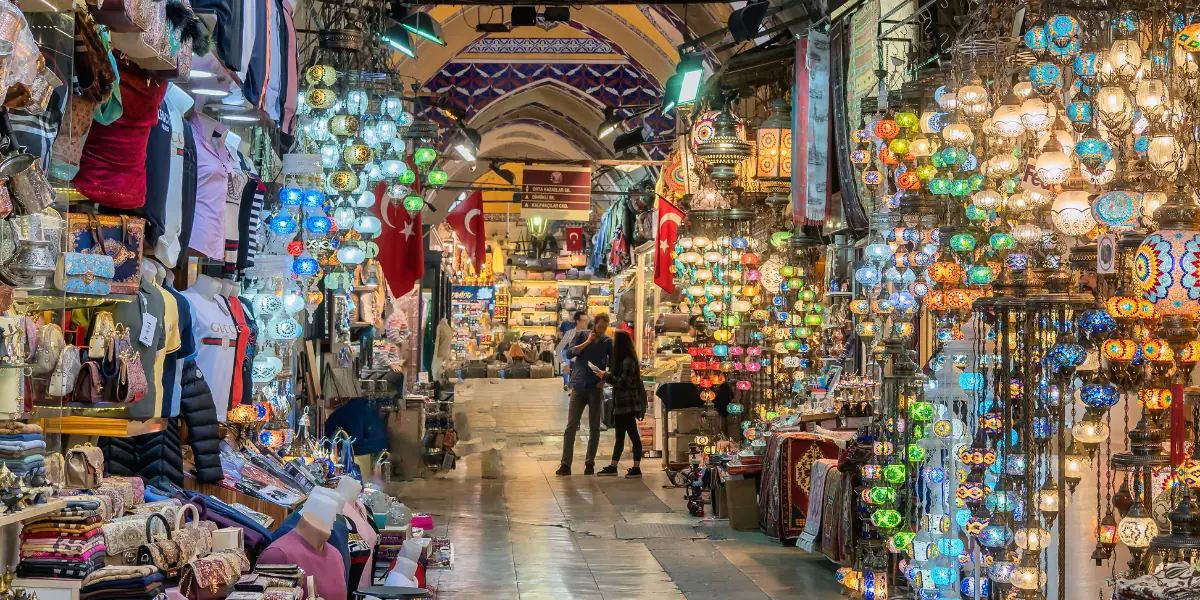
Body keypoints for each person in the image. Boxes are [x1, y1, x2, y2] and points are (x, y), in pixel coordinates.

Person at [557, 313, 612, 476]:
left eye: (605, 327)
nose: (602, 330)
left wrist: (605, 379)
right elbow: (569, 353)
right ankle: (565, 464)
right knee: (571, 425)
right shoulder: (581, 335)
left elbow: (613, 362)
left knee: (594, 427)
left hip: (595, 387)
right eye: (600, 326)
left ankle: (590, 462)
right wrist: (587, 342)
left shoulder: (608, 342)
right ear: (594, 324)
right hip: (578, 385)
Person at [594, 330, 646, 478]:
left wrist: (606, 376)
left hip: (627, 405)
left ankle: (635, 467)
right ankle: (614, 466)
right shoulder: (624, 360)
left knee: (632, 436)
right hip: (622, 405)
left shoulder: (628, 361)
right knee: (620, 437)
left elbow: (624, 382)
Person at [555, 311, 589, 390]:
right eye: (584, 321)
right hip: (574, 363)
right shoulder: (570, 333)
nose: (586, 323)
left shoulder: (590, 334)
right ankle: (567, 383)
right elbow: (558, 349)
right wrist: (565, 366)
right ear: (577, 322)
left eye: (587, 320)